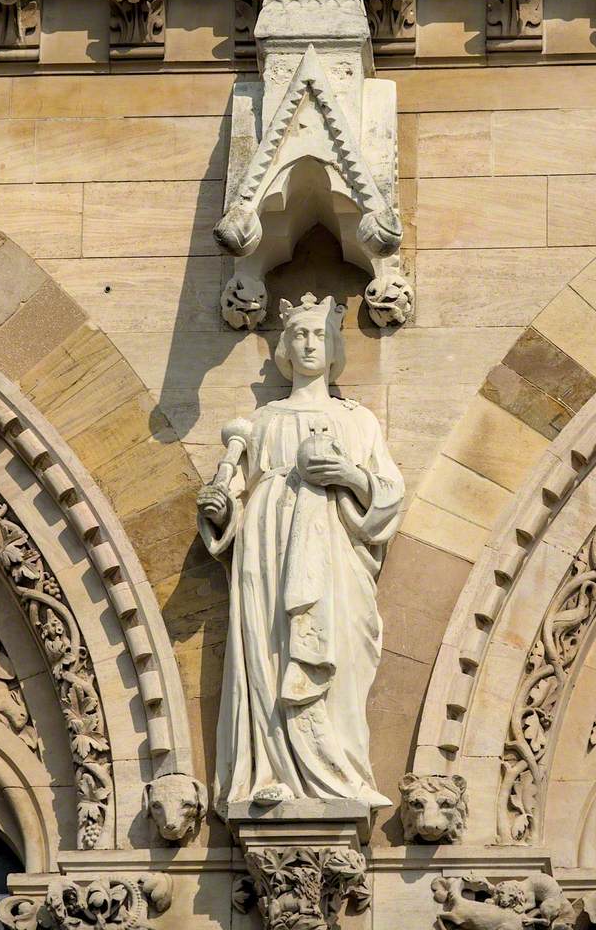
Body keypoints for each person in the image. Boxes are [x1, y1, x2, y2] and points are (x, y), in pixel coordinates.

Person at [197, 292, 404, 816]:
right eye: (299, 335)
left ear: (334, 346)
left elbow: (389, 491)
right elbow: (236, 501)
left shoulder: (357, 421)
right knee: (270, 648)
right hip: (268, 551)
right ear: (284, 348)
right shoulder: (263, 421)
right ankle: (269, 771)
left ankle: (343, 773)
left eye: (319, 335)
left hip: (335, 550)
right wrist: (222, 510)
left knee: (342, 648)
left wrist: (349, 476)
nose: (309, 344)